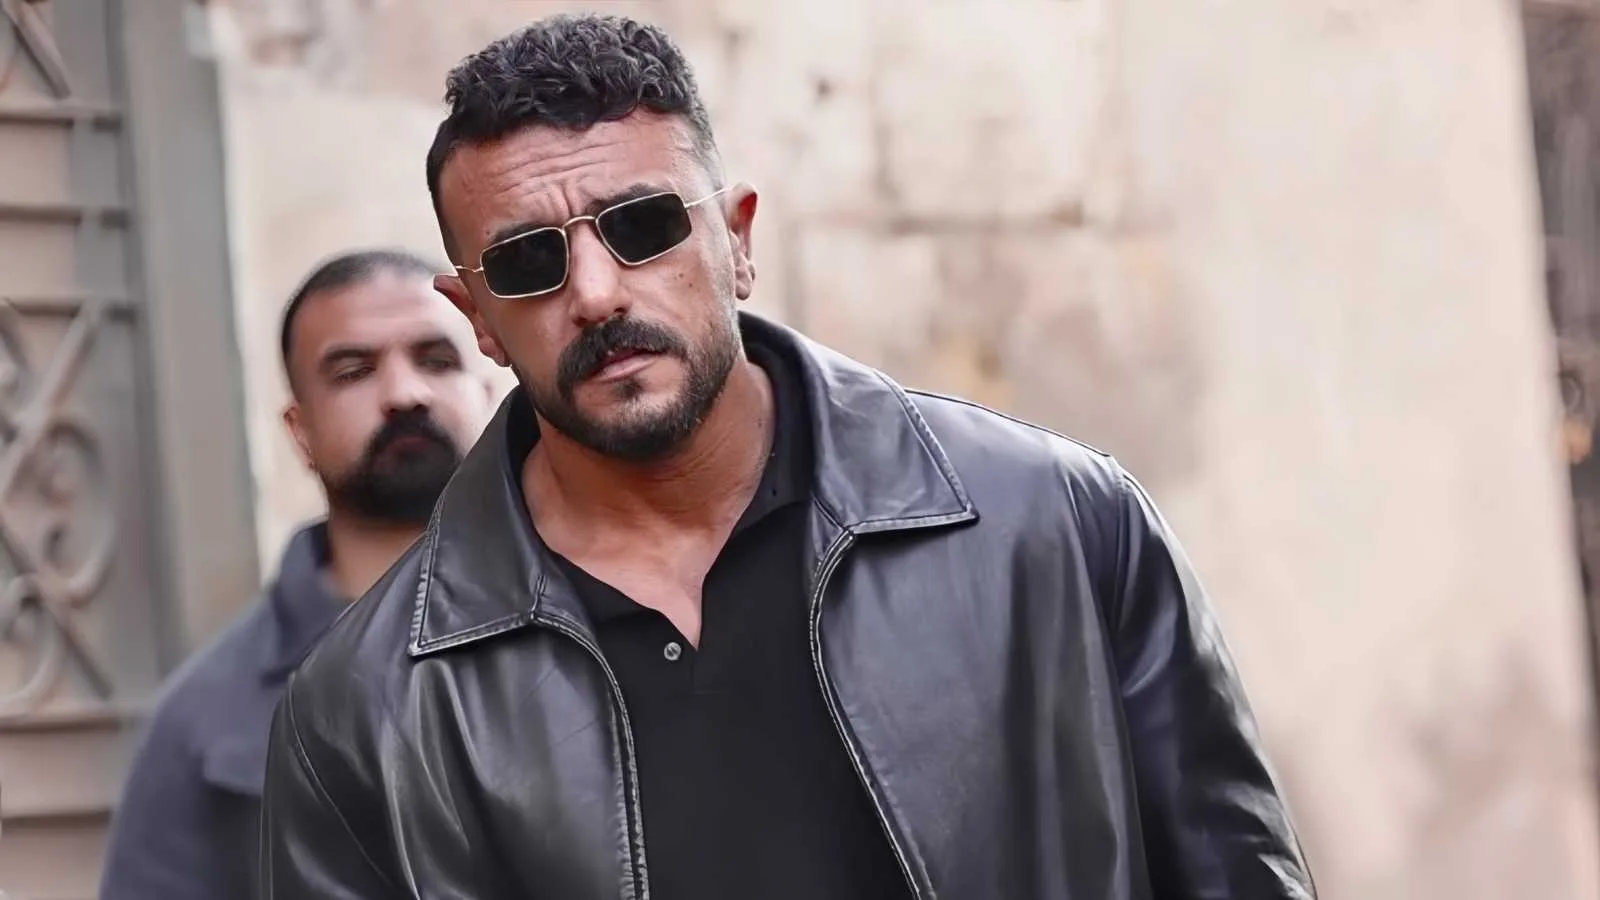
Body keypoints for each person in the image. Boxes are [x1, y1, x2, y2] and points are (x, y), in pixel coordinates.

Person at [259, 15, 1316, 900]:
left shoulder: (1056, 524)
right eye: (530, 260)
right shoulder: (363, 711)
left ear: (738, 240)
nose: (596, 293)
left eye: (643, 225)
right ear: (479, 318)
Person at [99, 249, 494, 900]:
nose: (404, 394)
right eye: (353, 371)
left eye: (436, 360)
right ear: (299, 430)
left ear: (489, 392)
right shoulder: (202, 721)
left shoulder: (604, 617)